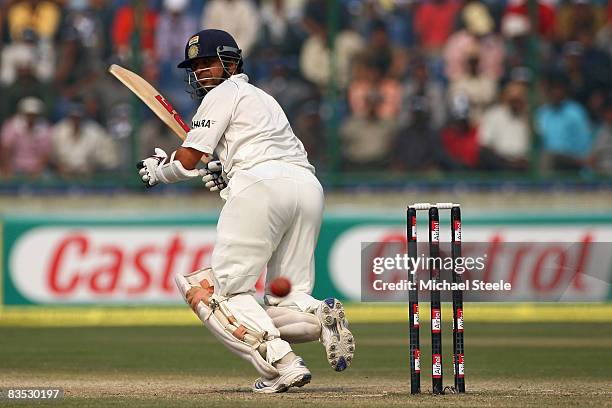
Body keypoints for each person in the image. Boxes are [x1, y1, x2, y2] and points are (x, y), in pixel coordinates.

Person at [136, 29, 354, 393]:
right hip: (306, 187)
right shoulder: (264, 98)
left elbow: (189, 160)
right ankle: (318, 315)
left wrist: (159, 168)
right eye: (196, 66)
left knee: (216, 293)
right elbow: (253, 151)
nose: (201, 72)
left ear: (232, 63)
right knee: (286, 296)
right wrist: (228, 174)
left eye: (208, 63)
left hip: (261, 188)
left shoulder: (222, 93)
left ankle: (282, 364)